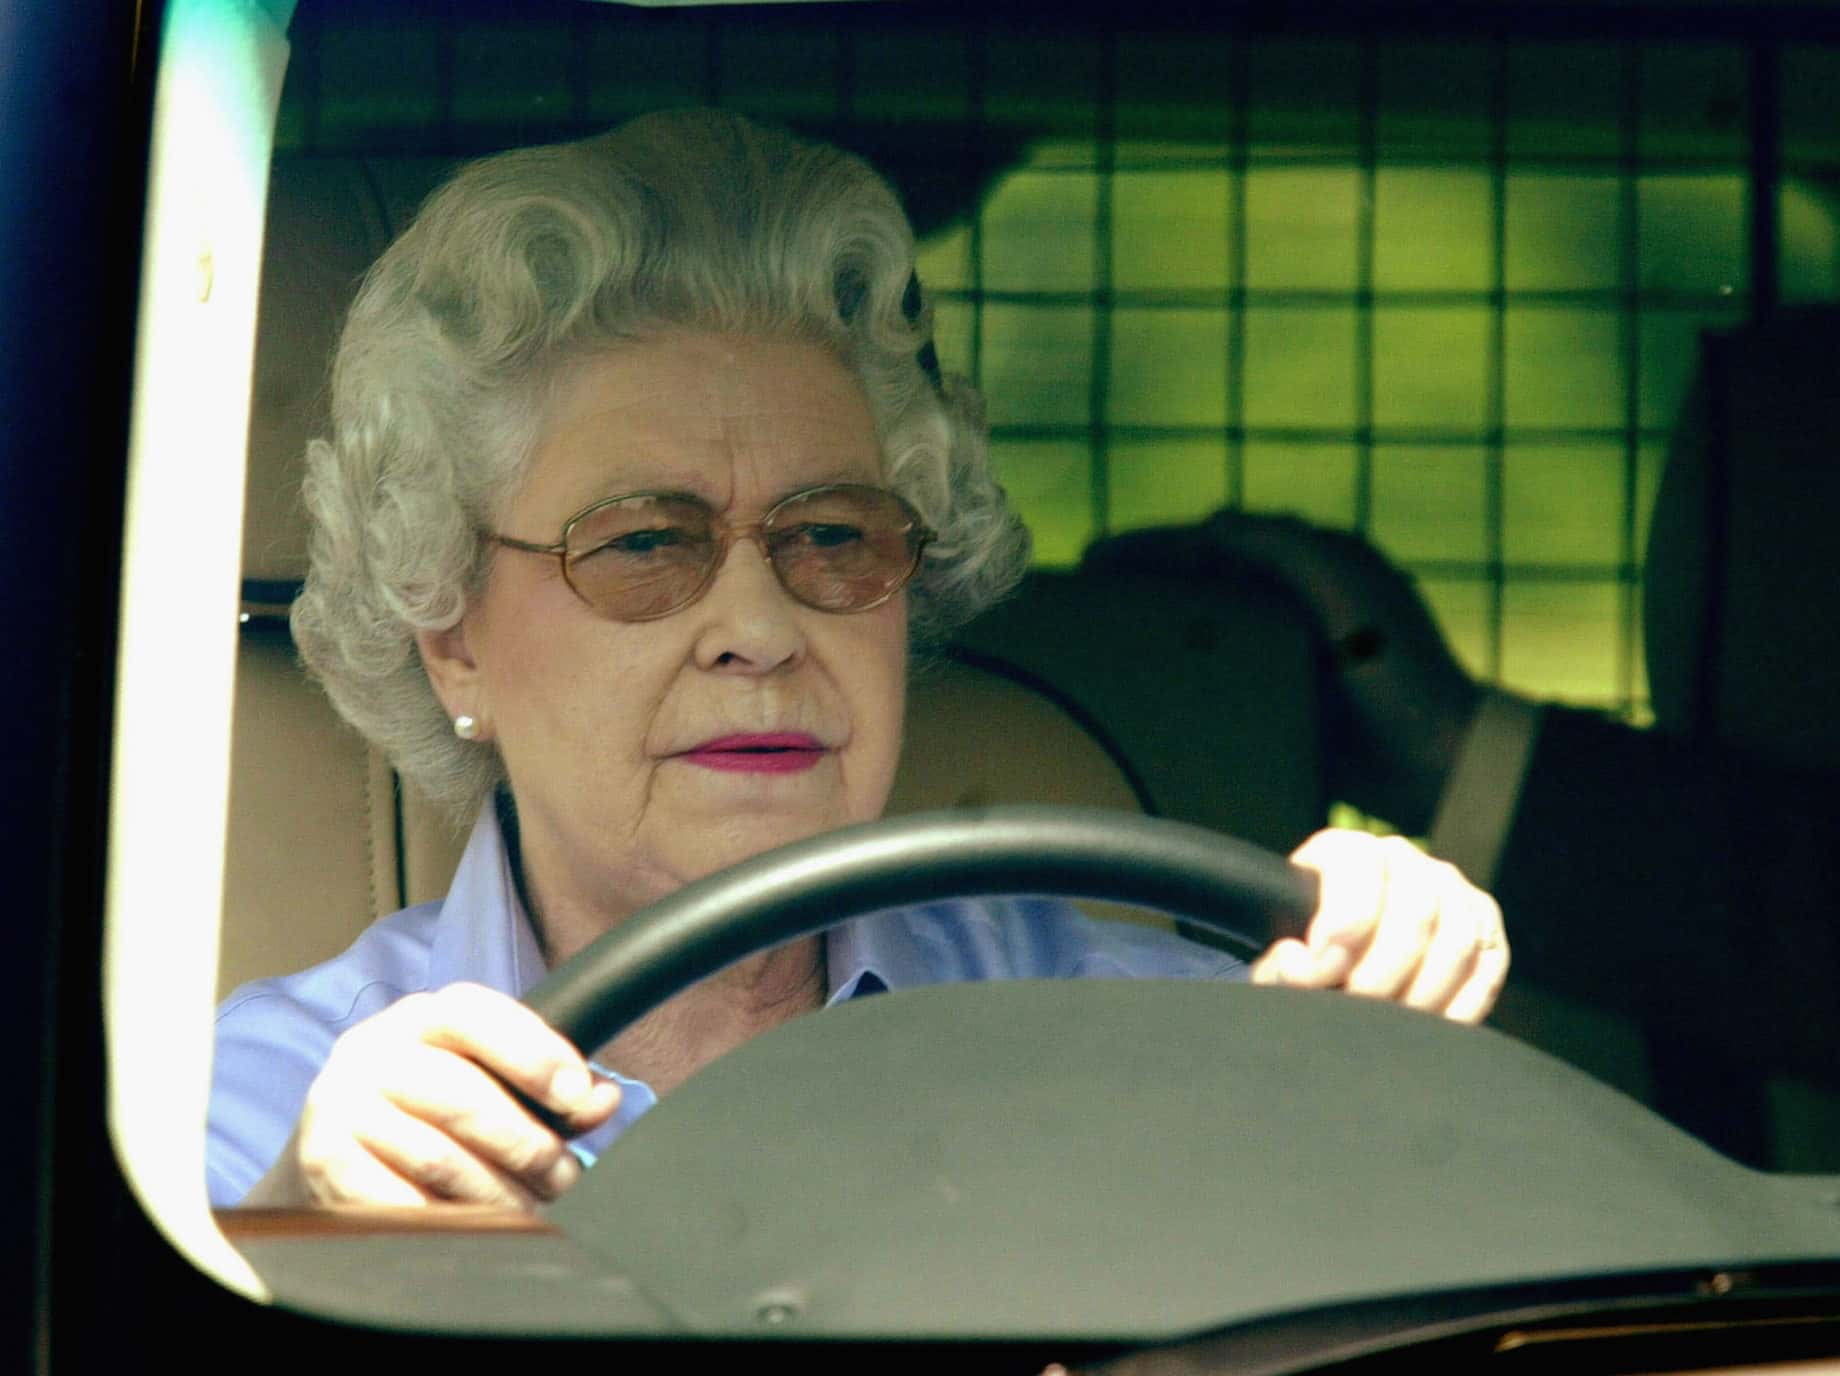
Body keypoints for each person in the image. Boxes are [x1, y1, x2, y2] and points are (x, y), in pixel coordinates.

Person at [208, 110, 1509, 1212]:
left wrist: (1370, 1065)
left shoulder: (1168, 1047)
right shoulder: (271, 1110)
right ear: (453, 641)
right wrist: (295, 1260)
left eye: (833, 535)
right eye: (647, 541)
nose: (763, 627)